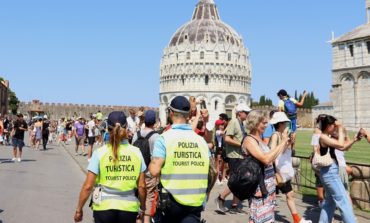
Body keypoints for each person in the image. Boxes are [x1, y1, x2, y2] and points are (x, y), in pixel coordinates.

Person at [149, 96, 214, 223]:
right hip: (195, 201)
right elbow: (213, 171)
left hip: (171, 202)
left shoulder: (164, 138)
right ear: (189, 115)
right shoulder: (200, 141)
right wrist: (207, 194)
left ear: (171, 113)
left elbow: (154, 171)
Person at [74, 111, 147, 223]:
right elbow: (141, 186)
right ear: (126, 126)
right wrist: (142, 208)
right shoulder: (136, 152)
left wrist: (79, 209)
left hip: (104, 208)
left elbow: (88, 186)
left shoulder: (100, 153)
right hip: (128, 208)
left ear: (108, 128)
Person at [242, 110, 290, 223]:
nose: (266, 125)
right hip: (258, 187)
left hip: (268, 186)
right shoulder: (249, 140)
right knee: (260, 218)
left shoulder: (260, 139)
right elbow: (266, 159)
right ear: (255, 123)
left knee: (265, 218)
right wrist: (282, 142)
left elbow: (272, 156)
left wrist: (286, 143)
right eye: (263, 122)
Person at [269, 112, 311, 223]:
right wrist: (285, 142)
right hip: (277, 170)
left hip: (283, 169)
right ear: (281, 123)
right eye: (286, 123)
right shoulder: (275, 135)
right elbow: (273, 153)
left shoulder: (283, 135)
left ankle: (296, 219)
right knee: (279, 195)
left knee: (289, 194)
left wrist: (292, 142)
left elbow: (289, 152)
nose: (288, 125)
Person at [317, 115, 357, 223]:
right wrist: (340, 128)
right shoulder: (323, 137)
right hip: (330, 172)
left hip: (329, 171)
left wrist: (354, 139)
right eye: (333, 126)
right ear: (328, 126)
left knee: (330, 202)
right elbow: (340, 144)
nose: (335, 128)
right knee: (344, 202)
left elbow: (343, 147)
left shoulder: (327, 137)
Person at [215, 103, 251, 214]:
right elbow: (227, 138)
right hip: (233, 155)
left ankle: (235, 205)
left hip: (239, 155)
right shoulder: (234, 122)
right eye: (246, 112)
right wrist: (240, 144)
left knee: (239, 180)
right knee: (236, 180)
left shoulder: (241, 123)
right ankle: (220, 198)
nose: (247, 114)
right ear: (240, 113)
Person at [132, 110, 160, 223]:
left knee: (138, 197)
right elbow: (156, 157)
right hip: (149, 173)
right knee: (148, 198)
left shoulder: (136, 134)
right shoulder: (157, 136)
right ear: (154, 122)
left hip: (137, 172)